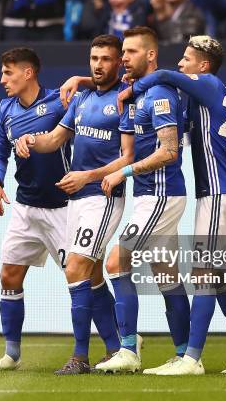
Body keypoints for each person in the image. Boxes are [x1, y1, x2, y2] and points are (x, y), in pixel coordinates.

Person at [120, 35, 226, 375]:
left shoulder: (209, 83)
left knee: (203, 273)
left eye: (187, 58)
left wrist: (133, 88)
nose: (181, 63)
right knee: (220, 278)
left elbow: (163, 76)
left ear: (203, 66)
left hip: (219, 193)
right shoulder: (205, 95)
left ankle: (191, 359)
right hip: (223, 192)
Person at [0, 47, 120, 372]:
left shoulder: (61, 100)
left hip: (63, 207)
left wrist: (80, 79)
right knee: (9, 274)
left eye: (8, 73)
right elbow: (0, 152)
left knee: (90, 274)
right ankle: (11, 354)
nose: (2, 80)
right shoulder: (5, 109)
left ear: (28, 73)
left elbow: (99, 90)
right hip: (25, 207)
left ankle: (116, 347)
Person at [15, 35, 134, 374]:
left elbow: (128, 157)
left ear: (118, 63)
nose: (98, 64)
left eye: (106, 59)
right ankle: (118, 348)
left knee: (76, 268)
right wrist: (29, 140)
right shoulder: (80, 99)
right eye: (94, 58)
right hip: (77, 199)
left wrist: (87, 175)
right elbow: (54, 140)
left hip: (104, 196)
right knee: (91, 273)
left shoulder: (125, 99)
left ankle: (80, 356)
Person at [88, 26, 190, 374]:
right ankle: (185, 355)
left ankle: (128, 349)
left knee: (116, 262)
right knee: (167, 275)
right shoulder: (135, 95)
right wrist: (78, 79)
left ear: (150, 55)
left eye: (130, 52)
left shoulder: (160, 94)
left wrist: (123, 173)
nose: (123, 58)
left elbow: (170, 151)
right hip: (149, 196)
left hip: (161, 194)